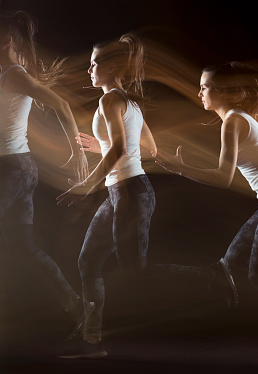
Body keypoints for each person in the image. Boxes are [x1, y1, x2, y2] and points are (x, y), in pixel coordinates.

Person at [155, 61, 258, 358]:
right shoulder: (245, 116)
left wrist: (181, 170)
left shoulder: (233, 121)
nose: (200, 92)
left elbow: (224, 176)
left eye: (205, 87)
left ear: (226, 93)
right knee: (232, 261)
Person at [56, 33, 157, 359]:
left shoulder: (109, 100)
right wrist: (98, 145)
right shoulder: (129, 102)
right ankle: (92, 341)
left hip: (129, 191)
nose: (89, 70)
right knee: (88, 263)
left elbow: (119, 149)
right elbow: (149, 149)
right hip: (122, 192)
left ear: (112, 66)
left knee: (136, 273)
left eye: (95, 63)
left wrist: (86, 187)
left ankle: (217, 276)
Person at [0, 11, 89, 336]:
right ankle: (79, 306)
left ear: (6, 40)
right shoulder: (5, 74)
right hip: (17, 169)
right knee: (25, 249)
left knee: (24, 249)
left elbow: (61, 106)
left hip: (13, 171)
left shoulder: (14, 75)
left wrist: (77, 150)